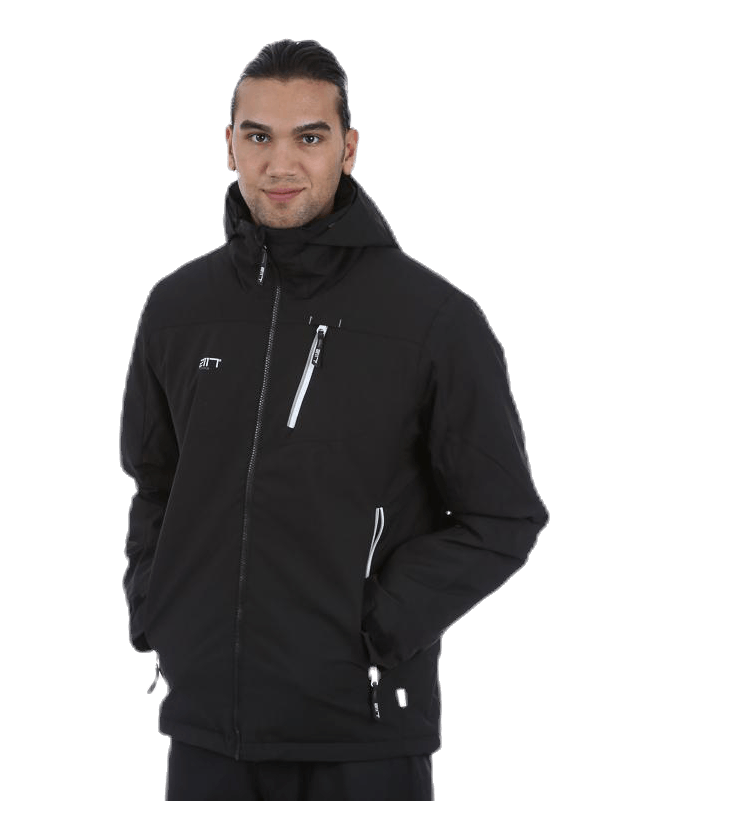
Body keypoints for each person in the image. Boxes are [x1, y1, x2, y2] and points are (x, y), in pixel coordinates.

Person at [120, 38, 549, 802]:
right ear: (229, 145)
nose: (280, 163)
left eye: (309, 137)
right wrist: (157, 610)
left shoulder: (431, 319)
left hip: (362, 735)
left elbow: (504, 515)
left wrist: (374, 624)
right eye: (259, 136)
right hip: (207, 732)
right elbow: (154, 482)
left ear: (348, 148)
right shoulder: (176, 309)